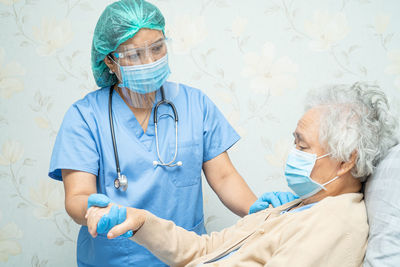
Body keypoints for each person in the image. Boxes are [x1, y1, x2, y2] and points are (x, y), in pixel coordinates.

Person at [48, 0, 295, 266]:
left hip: (185, 256)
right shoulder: (85, 116)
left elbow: (224, 177)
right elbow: (76, 196)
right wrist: (93, 210)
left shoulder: (194, 104)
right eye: (134, 54)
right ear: (110, 61)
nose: (150, 61)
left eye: (157, 48)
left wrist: (259, 213)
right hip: (117, 258)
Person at [86, 82, 399, 266]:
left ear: (346, 162)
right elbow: (206, 249)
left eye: (302, 146)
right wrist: (141, 221)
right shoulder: (300, 205)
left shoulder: (336, 225)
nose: (293, 153)